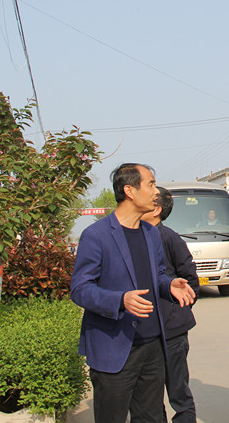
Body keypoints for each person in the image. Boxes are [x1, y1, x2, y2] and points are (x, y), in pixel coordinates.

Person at [70, 163, 196, 423]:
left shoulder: (151, 234)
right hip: (114, 348)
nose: (156, 192)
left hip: (152, 347)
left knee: (151, 417)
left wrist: (168, 285)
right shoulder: (96, 235)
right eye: (151, 184)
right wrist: (120, 300)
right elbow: (80, 289)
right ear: (129, 190)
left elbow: (157, 275)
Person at [141, 187, 200, 423]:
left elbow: (191, 281)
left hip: (172, 332)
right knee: (150, 394)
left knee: (178, 390)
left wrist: (177, 311)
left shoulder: (169, 238)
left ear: (156, 209)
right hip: (147, 330)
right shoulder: (136, 237)